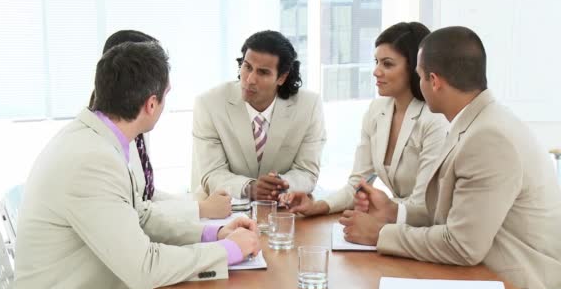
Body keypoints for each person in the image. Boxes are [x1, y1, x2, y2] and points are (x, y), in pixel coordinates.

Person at [13, 41, 261, 289]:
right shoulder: (92, 160)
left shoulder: (98, 139)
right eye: (166, 96)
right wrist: (228, 250)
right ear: (151, 104)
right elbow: (143, 268)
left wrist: (212, 234)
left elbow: (139, 217)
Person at [344, 26, 561, 289]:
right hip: (484, 280)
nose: (418, 84)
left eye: (419, 77)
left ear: (433, 81)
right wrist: (393, 213)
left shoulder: (488, 136)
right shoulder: (476, 121)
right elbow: (456, 212)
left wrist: (380, 233)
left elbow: (461, 245)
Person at [281, 22, 447, 216]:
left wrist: (382, 208)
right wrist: (316, 206)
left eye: (387, 64)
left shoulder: (435, 120)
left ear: (414, 68)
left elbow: (423, 205)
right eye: (376, 62)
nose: (376, 71)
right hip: (396, 223)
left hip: (427, 231)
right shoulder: (377, 110)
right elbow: (357, 185)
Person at [89, 30, 230, 220]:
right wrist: (201, 209)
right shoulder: (103, 144)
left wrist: (197, 204)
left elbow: (147, 193)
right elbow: (137, 211)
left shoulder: (135, 117)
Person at [192, 30, 326, 201]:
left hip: (281, 208)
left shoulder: (309, 105)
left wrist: (279, 186)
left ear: (282, 78)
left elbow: (307, 171)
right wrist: (250, 188)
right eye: (247, 67)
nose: (250, 79)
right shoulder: (209, 104)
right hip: (223, 207)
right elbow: (212, 173)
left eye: (263, 72)